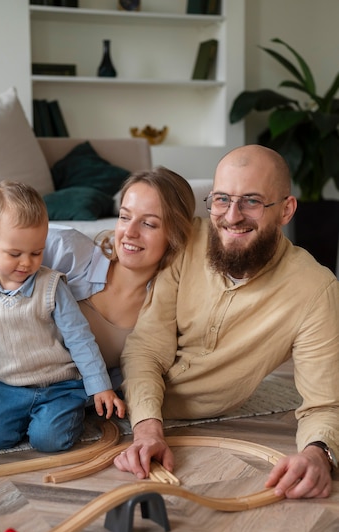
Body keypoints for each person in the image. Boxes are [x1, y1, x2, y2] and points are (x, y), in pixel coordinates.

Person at [0, 166, 195, 467]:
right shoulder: (65, 249)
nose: (129, 233)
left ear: (175, 233)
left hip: (9, 389)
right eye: (125, 216)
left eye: (149, 224)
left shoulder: (161, 311)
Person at [115, 145, 339, 500]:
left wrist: (318, 454)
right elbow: (146, 348)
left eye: (251, 201)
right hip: (114, 386)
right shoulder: (188, 238)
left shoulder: (316, 289)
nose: (232, 216)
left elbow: (324, 404)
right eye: (221, 199)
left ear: (286, 210)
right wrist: (147, 431)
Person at [0, 180, 126, 452]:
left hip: (59, 386)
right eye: (15, 254)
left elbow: (80, 339)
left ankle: (69, 410)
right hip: (7, 389)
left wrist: (100, 387)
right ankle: (34, 418)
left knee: (48, 441)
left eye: (36, 252)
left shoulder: (53, 286)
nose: (26, 263)